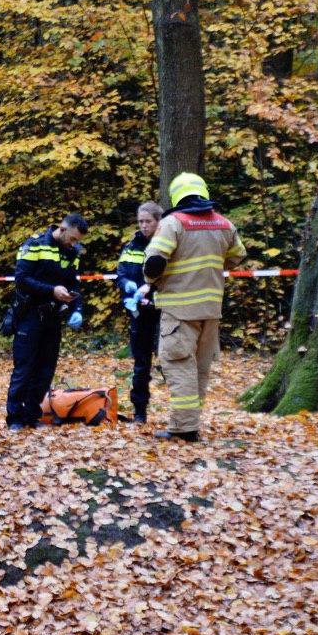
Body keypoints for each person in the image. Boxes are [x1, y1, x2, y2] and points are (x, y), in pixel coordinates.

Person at [142, 173, 246, 442]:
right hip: (211, 310)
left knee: (178, 365)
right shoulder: (224, 223)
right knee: (200, 368)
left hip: (179, 310)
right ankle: (191, 422)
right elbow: (238, 257)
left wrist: (152, 281)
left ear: (176, 196)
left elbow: (154, 262)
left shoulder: (173, 223)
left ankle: (184, 428)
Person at [4, 214, 89, 430]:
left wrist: (76, 307)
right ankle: (14, 418)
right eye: (72, 239)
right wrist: (52, 291)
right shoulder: (35, 245)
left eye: (77, 241)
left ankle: (32, 416)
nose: (74, 244)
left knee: (46, 371)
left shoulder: (73, 253)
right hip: (30, 315)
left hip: (53, 319)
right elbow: (22, 280)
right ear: (62, 229)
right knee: (24, 369)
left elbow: (74, 283)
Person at [116, 202, 164, 424]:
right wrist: (127, 285)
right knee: (141, 363)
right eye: (141, 221)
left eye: (148, 221)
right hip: (140, 313)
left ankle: (180, 413)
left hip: (164, 310)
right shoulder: (131, 246)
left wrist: (151, 291)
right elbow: (122, 273)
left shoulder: (166, 243)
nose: (144, 226)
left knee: (170, 360)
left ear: (158, 222)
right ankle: (140, 411)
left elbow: (172, 276)